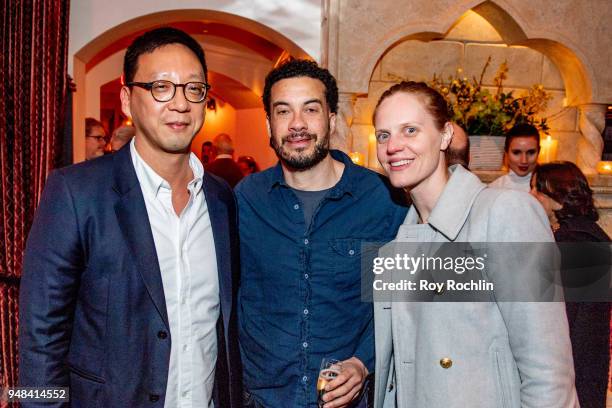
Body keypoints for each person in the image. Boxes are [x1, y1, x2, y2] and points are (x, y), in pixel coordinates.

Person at [19, 27, 242, 408]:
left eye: (193, 88)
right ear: (126, 99)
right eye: (160, 87)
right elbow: (39, 335)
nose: (180, 103)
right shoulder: (75, 192)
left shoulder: (221, 199)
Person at [372, 81, 577, 407]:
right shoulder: (398, 246)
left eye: (410, 130)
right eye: (384, 135)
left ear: (445, 135)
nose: (393, 145)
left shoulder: (504, 214)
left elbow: (548, 371)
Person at [236, 59, 408, 408]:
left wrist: (363, 362)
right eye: (283, 111)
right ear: (269, 124)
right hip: (261, 399)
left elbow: (401, 300)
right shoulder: (244, 200)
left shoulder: (383, 200)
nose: (297, 124)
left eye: (310, 109)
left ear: (331, 119)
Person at [531, 161, 611, 408]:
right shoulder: (587, 235)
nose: (531, 195)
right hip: (587, 360)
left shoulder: (573, 243)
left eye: (536, 189)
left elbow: (562, 316)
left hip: (574, 364)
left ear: (554, 197)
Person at [489, 123, 540, 191]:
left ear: (539, 151)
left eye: (531, 152)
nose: (524, 161)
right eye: (516, 153)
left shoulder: (551, 190)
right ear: (506, 152)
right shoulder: (494, 188)